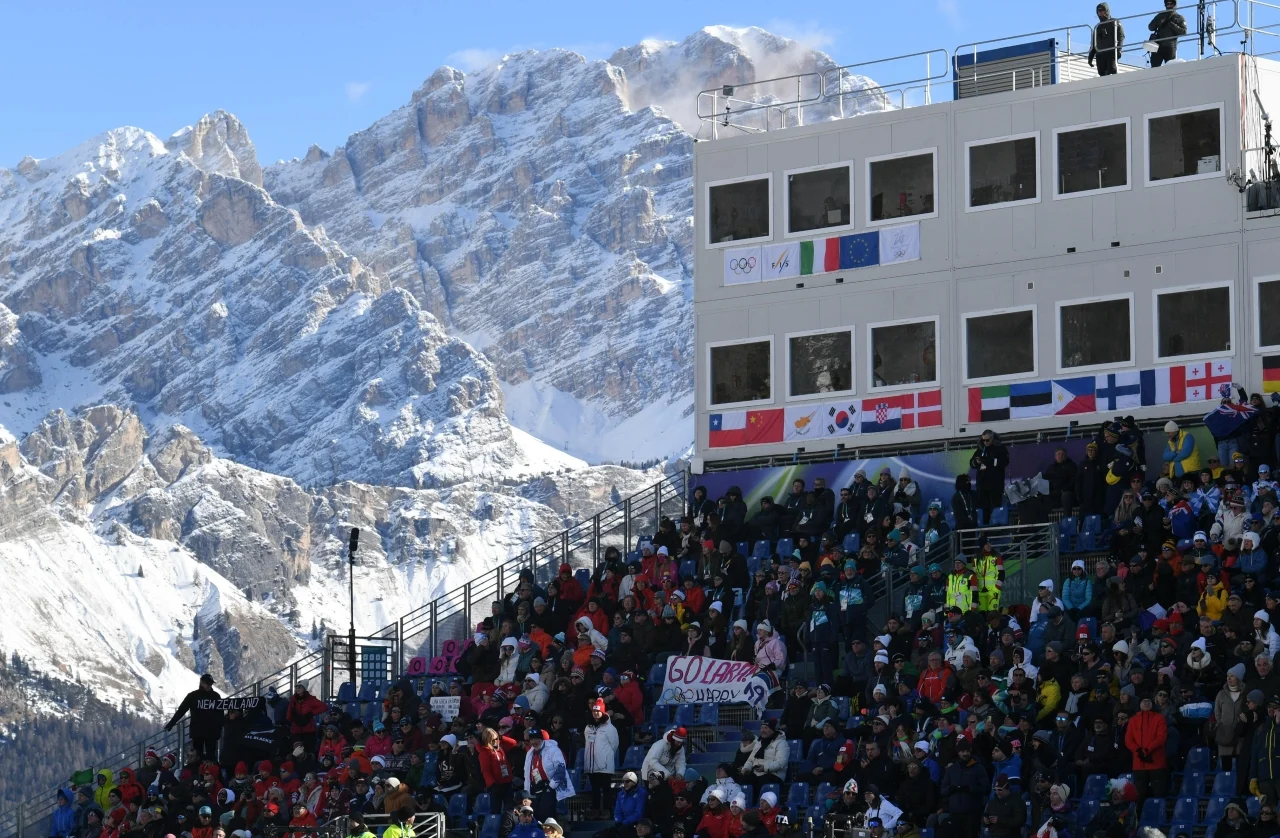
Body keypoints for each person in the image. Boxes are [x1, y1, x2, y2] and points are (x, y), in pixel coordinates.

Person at [164, 673, 224, 761]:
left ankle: (212, 773)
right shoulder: (192, 696)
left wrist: (219, 729)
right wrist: (171, 724)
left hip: (212, 732)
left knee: (211, 756)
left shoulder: (216, 696)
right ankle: (197, 773)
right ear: (201, 683)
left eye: (211, 683)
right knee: (197, 756)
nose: (209, 686)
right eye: (207, 683)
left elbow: (220, 714)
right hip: (197, 731)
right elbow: (181, 710)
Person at [524, 728, 575, 820]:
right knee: (535, 815)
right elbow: (527, 774)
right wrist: (526, 792)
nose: (534, 742)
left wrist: (550, 786)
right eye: (531, 739)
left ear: (542, 739)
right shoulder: (529, 753)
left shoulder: (553, 750)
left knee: (546, 813)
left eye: (536, 739)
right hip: (535, 787)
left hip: (551, 787)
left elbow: (561, 771)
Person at [1125, 696, 1168, 803]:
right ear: (1139, 704)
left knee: (1158, 794)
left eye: (1148, 700)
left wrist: (1146, 750)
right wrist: (1138, 750)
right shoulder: (1133, 720)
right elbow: (1128, 739)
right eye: (1144, 700)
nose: (1146, 702)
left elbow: (1161, 737)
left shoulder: (1159, 718)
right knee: (1139, 795)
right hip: (1139, 763)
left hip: (1156, 762)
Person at [970, 430, 1009, 524]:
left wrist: (991, 461)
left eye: (987, 440)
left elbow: (1005, 461)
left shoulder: (1000, 448)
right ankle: (984, 530)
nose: (985, 442)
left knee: (996, 507)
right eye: (983, 440)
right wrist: (977, 462)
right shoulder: (980, 448)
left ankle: (997, 528)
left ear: (992, 438)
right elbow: (971, 463)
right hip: (982, 484)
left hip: (995, 484)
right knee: (984, 510)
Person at [1089, 2, 1125, 76]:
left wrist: (1119, 49)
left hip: (1111, 52)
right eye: (1098, 11)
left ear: (1106, 11)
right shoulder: (1097, 27)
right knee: (1101, 73)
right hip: (1100, 54)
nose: (1100, 12)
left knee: (1112, 71)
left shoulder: (1114, 22)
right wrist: (1090, 57)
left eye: (1102, 10)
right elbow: (1093, 44)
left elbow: (1121, 36)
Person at [1149, 0, 1188, 66]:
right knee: (1154, 68)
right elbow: (1150, 27)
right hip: (1158, 45)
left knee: (1171, 68)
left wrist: (1173, 25)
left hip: (1170, 46)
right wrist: (1157, 23)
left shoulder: (1179, 17)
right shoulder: (1160, 15)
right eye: (1167, 4)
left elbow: (1184, 32)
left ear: (1174, 4)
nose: (1169, 6)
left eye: (1171, 4)